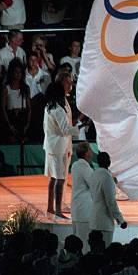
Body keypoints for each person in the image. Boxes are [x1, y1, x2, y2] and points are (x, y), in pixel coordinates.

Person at [43, 82, 83, 218]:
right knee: (60, 179)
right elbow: (65, 130)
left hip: (52, 146)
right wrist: (80, 126)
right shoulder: (58, 109)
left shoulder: (48, 107)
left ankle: (50, 207)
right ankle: (58, 210)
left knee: (54, 178)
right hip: (59, 148)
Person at [90, 152, 127, 246]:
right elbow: (111, 202)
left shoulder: (94, 174)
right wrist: (120, 220)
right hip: (104, 222)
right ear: (108, 162)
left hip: (94, 219)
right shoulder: (106, 177)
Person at [1, 59, 31, 143]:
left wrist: (27, 124)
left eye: (20, 72)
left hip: (22, 118)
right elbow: (3, 108)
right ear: (11, 72)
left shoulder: (25, 88)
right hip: (11, 118)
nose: (18, 74)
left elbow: (29, 108)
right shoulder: (6, 88)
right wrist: (9, 125)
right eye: (16, 72)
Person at [71, 142, 94, 251]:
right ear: (86, 153)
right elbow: (94, 184)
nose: (92, 152)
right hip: (84, 211)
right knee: (84, 244)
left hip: (77, 209)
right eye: (90, 150)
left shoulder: (75, 165)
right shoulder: (84, 167)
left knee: (76, 242)